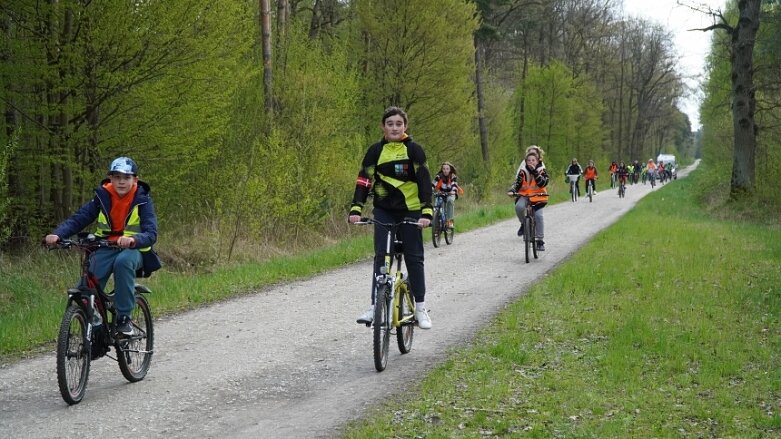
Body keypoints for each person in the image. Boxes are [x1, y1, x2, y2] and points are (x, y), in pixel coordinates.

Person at [44, 157, 159, 336]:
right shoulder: (103, 196)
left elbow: (151, 233)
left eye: (126, 177)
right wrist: (58, 234)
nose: (121, 181)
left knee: (123, 263)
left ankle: (124, 319)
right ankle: (96, 328)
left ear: (135, 180)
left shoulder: (142, 200)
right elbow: (80, 218)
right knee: (85, 287)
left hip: (133, 250)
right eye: (117, 176)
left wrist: (133, 240)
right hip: (106, 247)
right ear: (110, 178)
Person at [349, 106, 433, 329]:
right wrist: (356, 208)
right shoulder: (375, 151)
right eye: (390, 124)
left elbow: (424, 181)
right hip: (384, 210)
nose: (394, 128)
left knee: (414, 257)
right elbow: (364, 180)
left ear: (405, 126)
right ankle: (375, 305)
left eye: (398, 124)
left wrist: (427, 211)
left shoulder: (414, 150)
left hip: (411, 210)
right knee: (381, 257)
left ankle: (421, 308)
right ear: (383, 127)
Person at [507, 150, 549, 251]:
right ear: (526, 161)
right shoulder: (523, 171)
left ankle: (540, 240)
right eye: (529, 160)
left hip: (538, 197)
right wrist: (512, 190)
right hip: (525, 195)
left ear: (538, 160)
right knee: (519, 207)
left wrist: (535, 172)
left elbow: (542, 183)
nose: (531, 162)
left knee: (539, 215)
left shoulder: (542, 171)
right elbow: (517, 183)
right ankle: (524, 224)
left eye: (533, 160)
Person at [432, 162, 461, 228]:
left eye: (447, 169)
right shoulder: (439, 176)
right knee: (438, 205)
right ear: (442, 169)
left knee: (450, 201)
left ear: (450, 170)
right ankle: (436, 221)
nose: (445, 170)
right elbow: (433, 184)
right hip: (441, 193)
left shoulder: (452, 176)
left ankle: (450, 222)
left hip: (450, 193)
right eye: (444, 169)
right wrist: (429, 190)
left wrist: (453, 191)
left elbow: (454, 185)